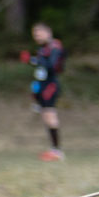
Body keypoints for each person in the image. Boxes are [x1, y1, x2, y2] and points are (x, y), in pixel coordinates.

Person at [23, 22, 65, 162]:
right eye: (35, 34)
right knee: (46, 116)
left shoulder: (54, 46)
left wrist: (34, 60)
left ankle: (57, 150)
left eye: (39, 33)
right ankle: (53, 149)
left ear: (48, 32)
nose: (37, 36)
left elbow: (52, 66)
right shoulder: (42, 48)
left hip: (50, 85)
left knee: (50, 115)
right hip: (42, 85)